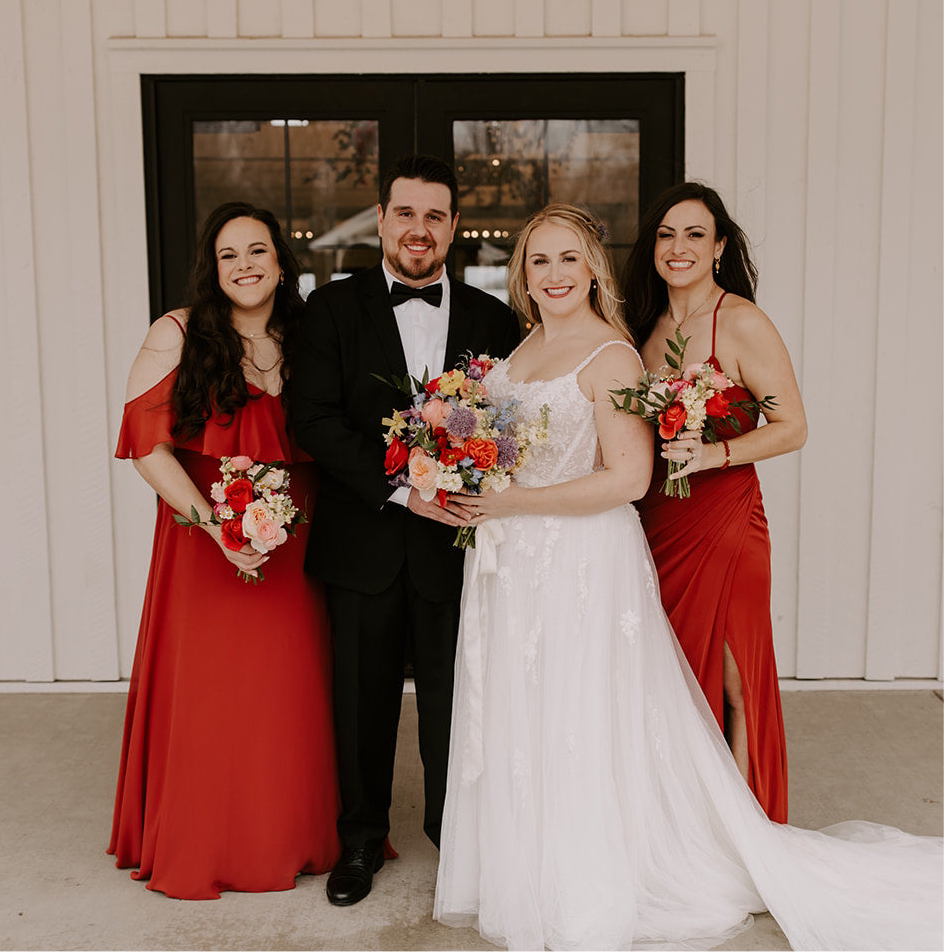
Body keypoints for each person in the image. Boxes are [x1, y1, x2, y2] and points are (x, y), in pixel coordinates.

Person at [433, 203, 944, 952]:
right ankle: (534, 859)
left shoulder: (618, 353)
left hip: (601, 549)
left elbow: (636, 474)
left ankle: (675, 851)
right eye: (538, 261)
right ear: (521, 275)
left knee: (610, 704)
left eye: (568, 258)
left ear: (594, 267)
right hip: (530, 562)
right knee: (547, 704)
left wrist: (515, 501)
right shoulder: (529, 353)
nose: (554, 274)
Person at [290, 154, 520, 906]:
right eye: (404, 213)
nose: (418, 229)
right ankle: (360, 842)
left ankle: (460, 845)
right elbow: (314, 422)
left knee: (461, 706)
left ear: (454, 226)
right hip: (364, 545)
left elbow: (514, 430)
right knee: (361, 705)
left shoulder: (496, 321)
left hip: (459, 549)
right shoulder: (330, 309)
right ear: (382, 219)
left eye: (434, 216)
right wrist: (400, 488)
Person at [108, 202, 340, 899]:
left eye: (258, 251)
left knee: (289, 690)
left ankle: (292, 834)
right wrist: (216, 527)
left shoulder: (306, 335)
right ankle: (206, 839)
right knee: (211, 694)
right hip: (202, 541)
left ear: (280, 260)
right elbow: (144, 447)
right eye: (229, 254)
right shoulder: (176, 333)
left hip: (297, 543)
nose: (245, 265)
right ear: (213, 268)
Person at [621, 182, 807, 822]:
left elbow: (792, 426)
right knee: (670, 674)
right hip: (655, 522)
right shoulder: (642, 329)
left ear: (720, 246)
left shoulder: (742, 321)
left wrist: (714, 454)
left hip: (724, 521)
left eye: (695, 234)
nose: (679, 247)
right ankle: (686, 823)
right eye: (667, 234)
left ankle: (747, 831)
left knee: (733, 680)